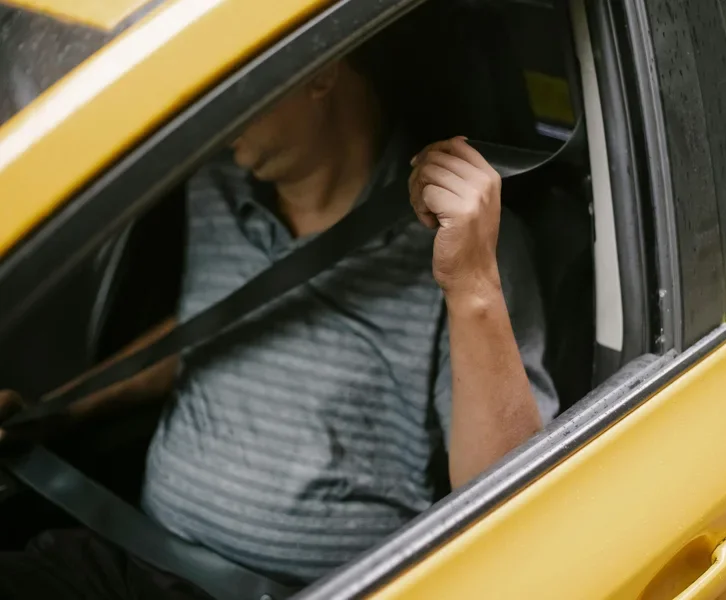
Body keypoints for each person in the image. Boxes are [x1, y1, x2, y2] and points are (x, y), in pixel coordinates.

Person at [0, 50, 557, 599]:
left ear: (318, 73)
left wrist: (472, 286)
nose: (205, 108)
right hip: (134, 557)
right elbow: (202, 331)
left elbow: (507, 502)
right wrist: (58, 410)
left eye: (231, 80)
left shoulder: (466, 242)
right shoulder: (214, 183)